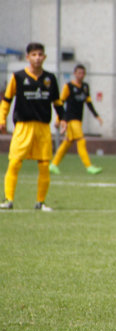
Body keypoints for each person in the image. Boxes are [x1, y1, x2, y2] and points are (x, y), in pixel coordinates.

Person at [0, 42, 66, 211]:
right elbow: (6, 101)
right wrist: (2, 119)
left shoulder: (50, 79)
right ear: (28, 57)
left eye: (40, 54)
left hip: (43, 128)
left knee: (44, 165)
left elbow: (57, 102)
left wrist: (62, 118)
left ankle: (40, 202)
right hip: (23, 127)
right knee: (14, 162)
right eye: (34, 55)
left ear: (44, 57)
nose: (37, 58)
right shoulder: (18, 77)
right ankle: (8, 200)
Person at [50, 64, 104, 175]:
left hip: (78, 119)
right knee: (81, 140)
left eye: (83, 73)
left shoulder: (85, 87)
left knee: (66, 144)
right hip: (70, 119)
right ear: (74, 74)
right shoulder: (68, 86)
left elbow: (88, 102)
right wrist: (58, 119)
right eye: (79, 73)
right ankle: (89, 166)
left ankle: (53, 164)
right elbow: (60, 103)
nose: (81, 75)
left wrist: (96, 116)